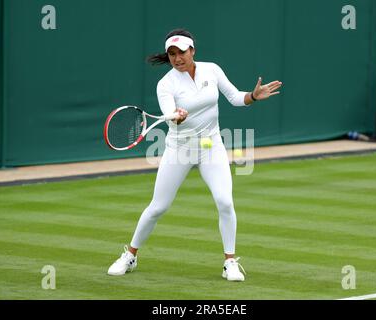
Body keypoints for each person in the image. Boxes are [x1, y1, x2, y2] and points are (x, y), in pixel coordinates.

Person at [108, 28, 282, 281]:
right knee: (158, 207)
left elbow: (235, 98)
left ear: (193, 51)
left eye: (182, 52)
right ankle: (130, 255)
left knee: (225, 201)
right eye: (172, 54)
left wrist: (253, 96)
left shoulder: (212, 69)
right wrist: (176, 117)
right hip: (179, 150)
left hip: (212, 146)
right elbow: (170, 116)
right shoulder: (166, 84)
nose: (177, 58)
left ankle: (230, 262)